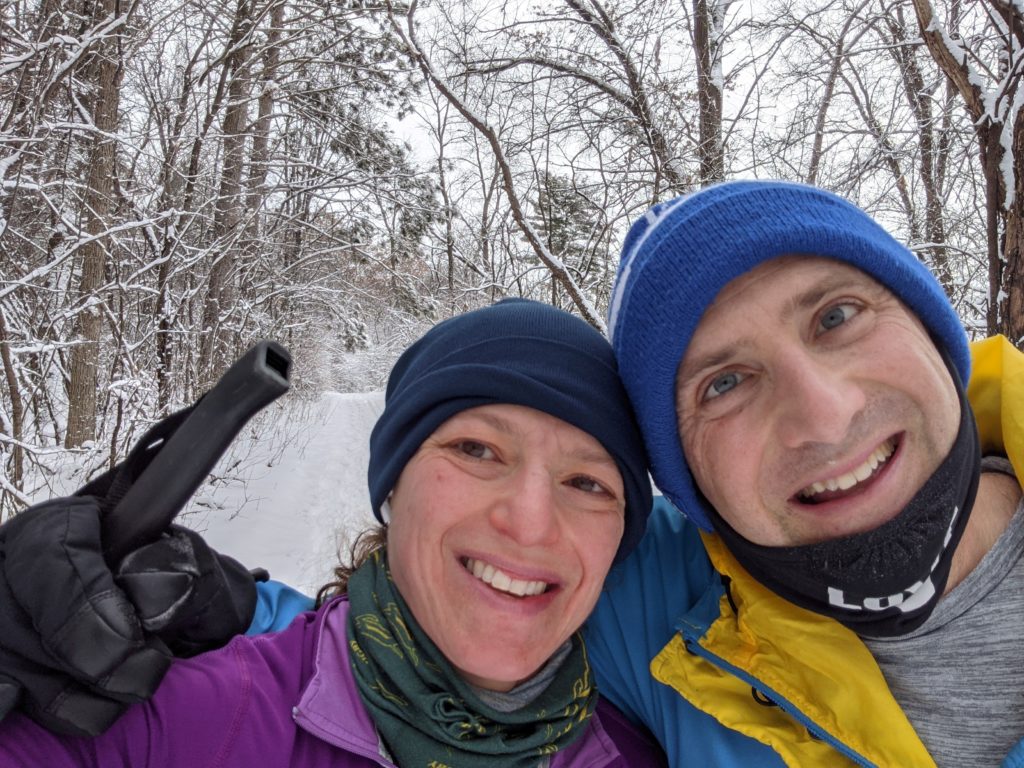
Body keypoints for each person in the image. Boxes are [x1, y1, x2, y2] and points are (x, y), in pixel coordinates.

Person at [0, 299, 666, 767]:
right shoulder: (186, 720)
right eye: (476, 450)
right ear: (393, 489)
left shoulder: (640, 753)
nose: (528, 519)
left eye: (588, 484)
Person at [584, 179, 1024, 767]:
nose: (824, 416)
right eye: (725, 383)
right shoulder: (632, 605)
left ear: (931, 329)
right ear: (686, 478)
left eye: (836, 317)